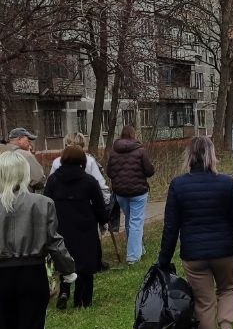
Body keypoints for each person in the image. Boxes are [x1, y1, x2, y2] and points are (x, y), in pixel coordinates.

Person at [157, 135, 233, 329]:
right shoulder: (226, 184)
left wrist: (164, 260)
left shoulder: (178, 185)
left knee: (203, 302)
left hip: (194, 255)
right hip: (225, 251)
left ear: (189, 157)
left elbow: (171, 227)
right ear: (212, 156)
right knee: (228, 288)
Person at [0, 151, 76, 329]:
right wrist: (68, 269)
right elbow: (55, 243)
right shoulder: (42, 204)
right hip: (31, 273)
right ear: (24, 173)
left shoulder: (41, 203)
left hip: (3, 275)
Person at [44, 144, 109, 309]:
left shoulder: (53, 180)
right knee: (86, 266)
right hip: (85, 227)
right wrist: (103, 221)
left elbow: (46, 203)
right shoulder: (88, 181)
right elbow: (99, 205)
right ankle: (83, 301)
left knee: (65, 260)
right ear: (83, 160)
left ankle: (65, 291)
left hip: (61, 227)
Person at [106, 125, 154, 265]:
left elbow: (109, 172)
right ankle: (133, 257)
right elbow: (149, 171)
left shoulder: (114, 152)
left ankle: (139, 249)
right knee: (136, 222)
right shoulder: (140, 151)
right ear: (133, 135)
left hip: (120, 192)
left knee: (130, 220)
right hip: (138, 192)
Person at [48, 132, 111, 204]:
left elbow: (50, 186)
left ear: (66, 145)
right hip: (85, 205)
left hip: (62, 205)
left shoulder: (57, 162)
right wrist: (106, 203)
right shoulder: (89, 161)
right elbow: (101, 185)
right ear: (83, 145)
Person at [4, 126, 46, 191]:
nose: (30, 143)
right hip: (21, 197)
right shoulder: (25, 155)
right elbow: (38, 180)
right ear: (20, 140)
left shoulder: (2, 152)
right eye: (28, 140)